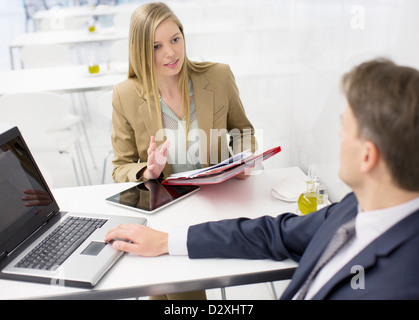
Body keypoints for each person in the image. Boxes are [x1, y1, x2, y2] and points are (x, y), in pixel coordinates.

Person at [106, 58, 419, 299]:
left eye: (345, 128)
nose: (337, 135)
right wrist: (167, 241)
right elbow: (273, 234)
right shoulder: (355, 209)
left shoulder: (400, 283)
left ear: (367, 156)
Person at [110, 3, 256, 299]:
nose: (170, 53)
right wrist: (147, 171)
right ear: (140, 51)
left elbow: (243, 131)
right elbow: (119, 166)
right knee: (172, 287)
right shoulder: (125, 95)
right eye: (156, 46)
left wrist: (244, 159)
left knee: (171, 288)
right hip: (168, 209)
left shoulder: (218, 76)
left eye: (175, 40)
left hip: (219, 204)